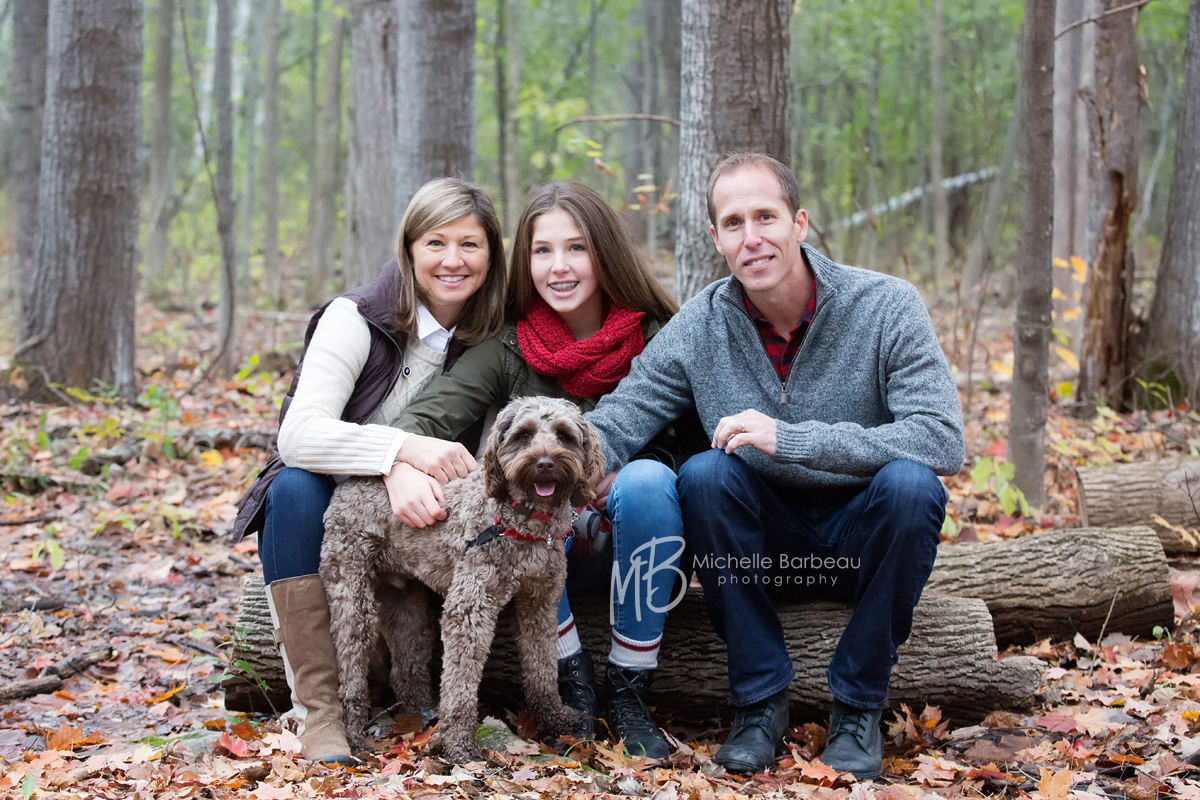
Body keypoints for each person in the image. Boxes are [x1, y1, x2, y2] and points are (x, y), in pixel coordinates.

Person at [582, 153, 965, 779]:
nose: (752, 237)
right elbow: (624, 414)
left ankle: (858, 706)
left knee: (911, 484)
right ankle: (759, 703)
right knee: (705, 473)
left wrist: (792, 439)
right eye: (733, 223)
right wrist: (542, 469)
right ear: (715, 239)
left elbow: (942, 437)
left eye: (766, 216)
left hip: (860, 548)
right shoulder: (701, 324)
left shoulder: (886, 305)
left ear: (801, 223)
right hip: (762, 555)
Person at [391, 180, 701, 758]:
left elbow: (702, 445)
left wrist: (628, 468)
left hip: (640, 546)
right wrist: (399, 462)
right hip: (534, 558)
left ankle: (630, 689)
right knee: (522, 507)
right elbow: (421, 420)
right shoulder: (510, 347)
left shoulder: (659, 338)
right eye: (542, 250)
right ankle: (570, 681)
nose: (559, 267)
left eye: (577, 248)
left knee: (648, 480)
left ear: (605, 252)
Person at [230, 178, 509, 765]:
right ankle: (321, 712)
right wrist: (398, 456)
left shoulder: (493, 338)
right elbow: (300, 434)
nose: (453, 260)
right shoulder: (355, 318)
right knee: (295, 489)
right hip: (331, 496)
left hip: (425, 524)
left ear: (492, 255)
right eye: (435, 243)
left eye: (470, 244)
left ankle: (413, 689)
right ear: (408, 249)